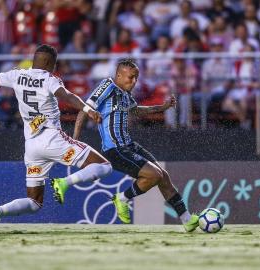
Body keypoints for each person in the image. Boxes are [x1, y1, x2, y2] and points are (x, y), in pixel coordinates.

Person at [0, 44, 113, 234]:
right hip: (52, 139)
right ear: (51, 63)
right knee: (105, 166)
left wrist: (8, 79)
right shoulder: (49, 78)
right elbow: (67, 95)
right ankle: (64, 182)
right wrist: (88, 109)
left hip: (32, 146)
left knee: (34, 202)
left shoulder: (16, 75)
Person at [59, 58, 200, 232]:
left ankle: (187, 220)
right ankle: (122, 199)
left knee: (163, 176)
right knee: (154, 175)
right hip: (114, 149)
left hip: (129, 145)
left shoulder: (125, 94)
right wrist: (75, 139)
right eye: (130, 77)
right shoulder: (108, 86)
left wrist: (161, 108)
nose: (133, 82)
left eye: (136, 78)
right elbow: (84, 109)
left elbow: (138, 109)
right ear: (119, 75)